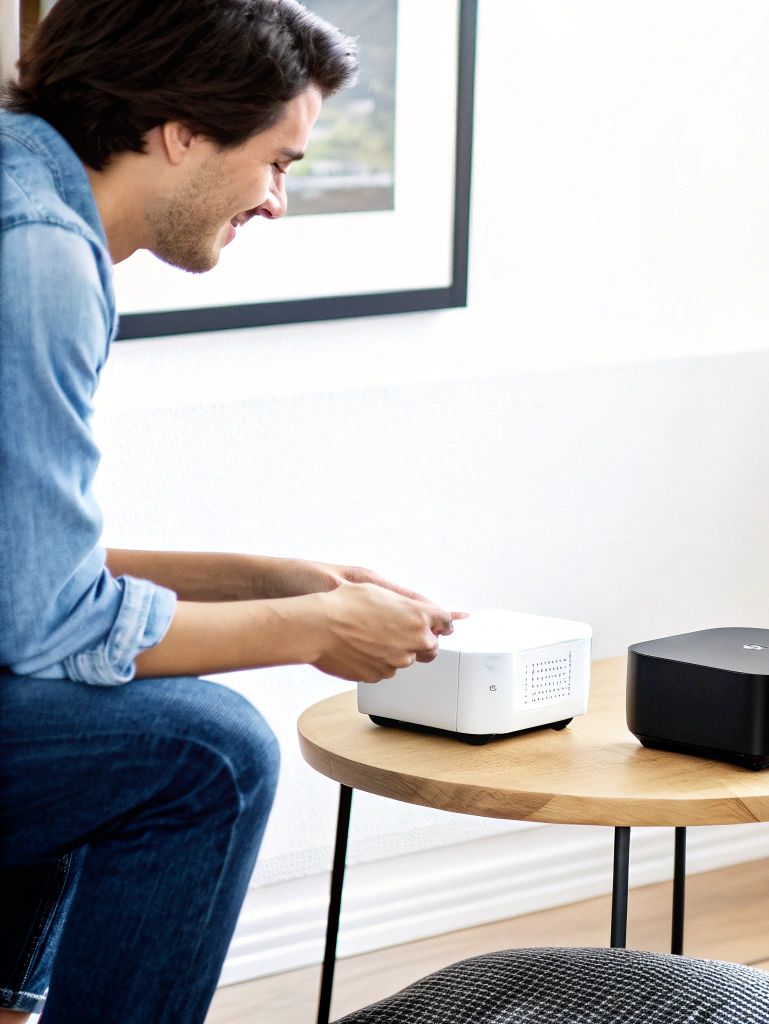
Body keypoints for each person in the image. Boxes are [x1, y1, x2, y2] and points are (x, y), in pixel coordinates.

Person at [0, 3, 463, 1021]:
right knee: (207, 753)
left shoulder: (21, 186)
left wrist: (273, 578)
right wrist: (314, 628)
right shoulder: (36, 255)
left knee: (106, 714)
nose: (278, 202)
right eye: (278, 161)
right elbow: (49, 627)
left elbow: (23, 570)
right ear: (180, 132)